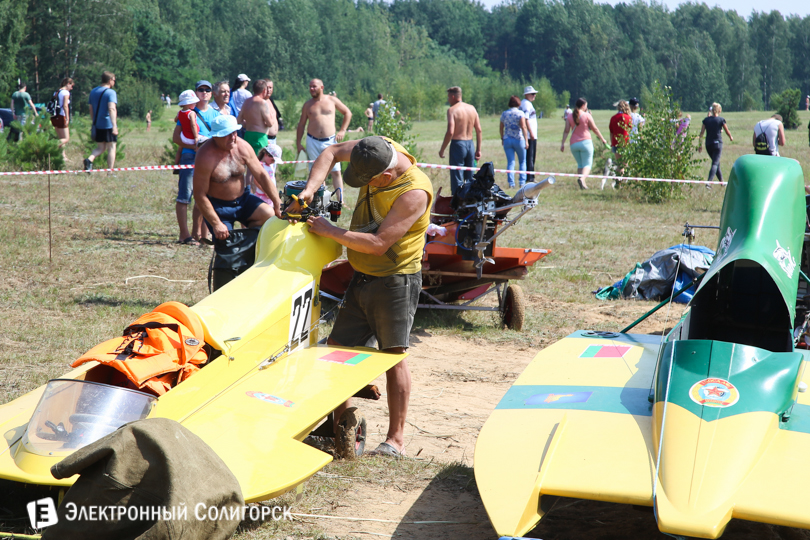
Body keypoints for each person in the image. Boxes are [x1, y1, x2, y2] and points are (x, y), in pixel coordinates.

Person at [285, 135, 433, 457]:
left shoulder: (414, 193)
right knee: (337, 351)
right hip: (362, 276)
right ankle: (339, 429)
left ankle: (395, 441)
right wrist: (310, 189)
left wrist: (330, 230)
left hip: (396, 280)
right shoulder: (375, 148)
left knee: (393, 357)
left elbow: (379, 244)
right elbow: (331, 151)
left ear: (384, 176)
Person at [193, 115, 281, 240]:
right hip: (218, 206)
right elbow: (199, 194)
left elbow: (261, 175)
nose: (233, 137)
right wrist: (216, 223)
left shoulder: (243, 147)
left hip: (242, 200)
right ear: (216, 136)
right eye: (227, 134)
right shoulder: (205, 156)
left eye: (234, 132)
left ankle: (249, 249)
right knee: (226, 243)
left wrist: (277, 202)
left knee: (268, 214)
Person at [172, 80, 220, 245]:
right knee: (185, 196)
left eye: (208, 90)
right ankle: (184, 235)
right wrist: (194, 146)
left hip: (209, 159)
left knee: (204, 196)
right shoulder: (188, 111)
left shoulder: (215, 114)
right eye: (201, 89)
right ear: (195, 92)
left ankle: (198, 234)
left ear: (211, 93)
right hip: (190, 157)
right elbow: (176, 137)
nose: (204, 92)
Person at [296, 78, 352, 194]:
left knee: (336, 171)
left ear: (322, 87)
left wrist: (342, 130)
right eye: (310, 86)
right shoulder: (307, 105)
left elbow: (348, 113)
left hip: (331, 140)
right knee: (317, 173)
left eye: (314, 86)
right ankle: (322, 201)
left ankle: (340, 201)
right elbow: (301, 124)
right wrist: (298, 143)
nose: (311, 89)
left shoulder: (332, 100)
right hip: (313, 141)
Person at [438, 86, 483, 195]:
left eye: (449, 97)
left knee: (457, 176)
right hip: (470, 144)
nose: (448, 100)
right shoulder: (472, 108)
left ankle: (458, 202)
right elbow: (479, 130)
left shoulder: (452, 110)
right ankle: (470, 201)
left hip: (458, 144)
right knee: (470, 177)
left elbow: (450, 132)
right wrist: (478, 149)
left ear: (453, 96)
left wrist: (442, 149)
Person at [560, 97, 607, 190]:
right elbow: (594, 129)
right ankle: (582, 178)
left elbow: (566, 131)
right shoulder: (587, 115)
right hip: (586, 142)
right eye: (586, 105)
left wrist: (562, 143)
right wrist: (603, 139)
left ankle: (583, 183)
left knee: (580, 164)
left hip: (574, 144)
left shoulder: (570, 116)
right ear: (583, 106)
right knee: (587, 165)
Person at [84, 71, 118, 172]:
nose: (114, 83)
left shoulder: (93, 91)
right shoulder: (111, 92)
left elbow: (91, 109)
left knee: (100, 148)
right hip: (108, 124)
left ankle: (89, 160)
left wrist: (94, 121)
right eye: (114, 80)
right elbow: (112, 109)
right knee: (111, 147)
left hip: (98, 124)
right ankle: (110, 171)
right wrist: (114, 126)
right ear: (110, 80)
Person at [237, 79, 277, 155]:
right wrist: (272, 116)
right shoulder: (262, 103)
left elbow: (239, 120)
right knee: (260, 162)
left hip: (248, 135)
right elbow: (270, 123)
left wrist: (249, 123)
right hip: (260, 137)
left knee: (249, 161)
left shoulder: (246, 102)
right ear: (264, 90)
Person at [698, 102, 733, 184]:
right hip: (717, 144)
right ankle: (709, 182)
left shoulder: (706, 120)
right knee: (715, 163)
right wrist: (730, 137)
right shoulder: (721, 120)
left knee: (716, 163)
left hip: (708, 145)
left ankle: (721, 182)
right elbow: (727, 131)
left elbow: (701, 134)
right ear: (719, 110)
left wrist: (700, 145)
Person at [500, 96, 529, 188]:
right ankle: (522, 182)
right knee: (522, 161)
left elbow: (501, 127)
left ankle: (511, 183)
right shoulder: (521, 113)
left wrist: (502, 138)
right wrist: (526, 140)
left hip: (507, 139)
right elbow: (524, 127)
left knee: (511, 162)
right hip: (519, 139)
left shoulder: (504, 114)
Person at [606, 100, 632, 188]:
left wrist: (612, 143)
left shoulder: (613, 118)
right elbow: (630, 131)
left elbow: (611, 132)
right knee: (624, 165)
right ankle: (620, 182)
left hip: (615, 143)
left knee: (619, 163)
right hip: (625, 143)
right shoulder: (628, 118)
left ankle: (618, 180)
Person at [50, 78, 74, 161]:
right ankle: (52, 145)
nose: (72, 88)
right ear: (68, 83)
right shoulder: (66, 93)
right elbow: (65, 106)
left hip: (54, 116)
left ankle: (63, 157)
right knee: (66, 138)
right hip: (61, 116)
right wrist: (67, 117)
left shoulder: (56, 92)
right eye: (71, 85)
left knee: (61, 137)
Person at [253, 142, 282, 206]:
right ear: (266, 154)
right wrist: (266, 191)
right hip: (262, 195)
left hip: (270, 195)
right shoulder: (260, 165)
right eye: (272, 160)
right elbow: (256, 181)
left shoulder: (270, 165)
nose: (273, 162)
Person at [519, 86, 538, 172]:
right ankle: (530, 176)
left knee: (531, 156)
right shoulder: (526, 104)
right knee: (530, 156)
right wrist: (531, 132)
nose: (534, 96)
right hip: (530, 135)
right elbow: (526, 119)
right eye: (533, 94)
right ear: (527, 95)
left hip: (530, 134)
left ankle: (530, 174)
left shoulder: (526, 103)